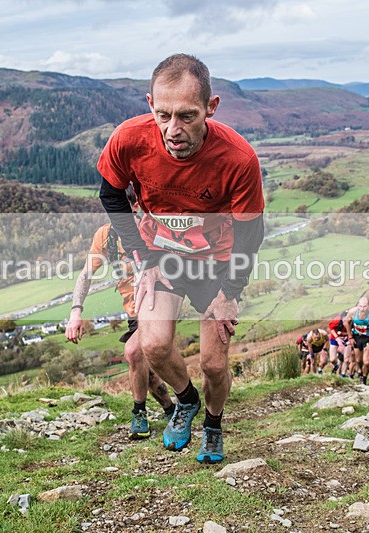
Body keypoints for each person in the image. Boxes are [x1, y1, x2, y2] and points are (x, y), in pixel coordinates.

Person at [98, 54, 265, 464]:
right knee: (152, 344)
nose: (174, 130)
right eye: (163, 115)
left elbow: (250, 231)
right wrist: (143, 257)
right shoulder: (129, 139)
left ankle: (213, 425)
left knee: (212, 363)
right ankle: (186, 401)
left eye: (187, 116)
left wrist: (231, 292)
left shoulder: (238, 158)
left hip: (217, 264)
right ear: (150, 103)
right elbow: (111, 196)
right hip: (163, 257)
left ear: (212, 107)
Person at [65, 186, 175, 440]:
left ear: (136, 206)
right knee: (146, 371)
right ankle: (173, 408)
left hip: (159, 302)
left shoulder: (154, 228)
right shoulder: (106, 236)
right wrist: (75, 312)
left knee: (133, 352)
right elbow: (86, 275)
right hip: (134, 311)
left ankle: (139, 413)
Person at [343, 296, 369, 385]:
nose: (362, 309)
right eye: (360, 306)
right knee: (358, 360)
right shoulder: (352, 312)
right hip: (357, 337)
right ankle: (359, 371)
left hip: (368, 337)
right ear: (358, 305)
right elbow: (347, 323)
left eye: (365, 306)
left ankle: (364, 378)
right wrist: (350, 337)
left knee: (367, 362)